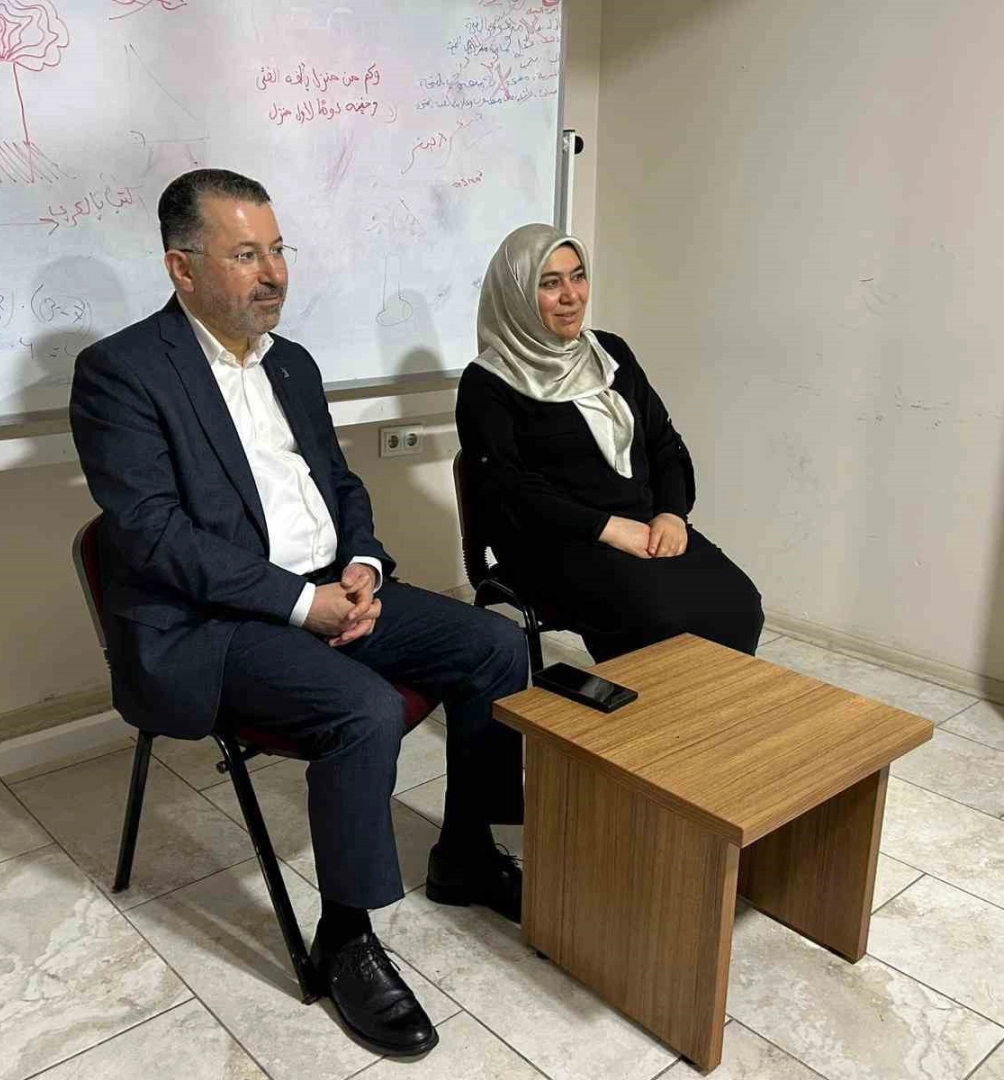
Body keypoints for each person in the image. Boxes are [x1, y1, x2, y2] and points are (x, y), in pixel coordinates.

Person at [69, 169, 527, 1057]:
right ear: (182, 267)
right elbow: (153, 535)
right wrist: (299, 602)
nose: (274, 272)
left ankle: (466, 852)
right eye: (246, 254)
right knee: (363, 711)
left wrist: (360, 566)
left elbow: (340, 483)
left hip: (326, 583)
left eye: (278, 250)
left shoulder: (292, 362)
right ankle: (345, 938)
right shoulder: (121, 374)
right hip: (210, 622)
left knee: (494, 646)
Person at [456, 223, 764, 663]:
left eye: (578, 276)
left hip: (643, 524)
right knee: (657, 620)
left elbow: (663, 443)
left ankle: (710, 705)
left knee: (738, 603)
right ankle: (651, 709)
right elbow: (510, 490)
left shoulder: (611, 353)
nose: (571, 295)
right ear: (516, 294)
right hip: (553, 543)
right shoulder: (488, 382)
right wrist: (607, 528)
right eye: (550, 283)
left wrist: (671, 513)